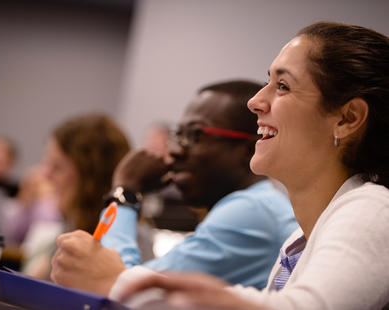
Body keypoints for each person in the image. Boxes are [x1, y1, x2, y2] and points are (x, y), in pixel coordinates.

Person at [114, 22, 389, 310]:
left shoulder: (372, 208)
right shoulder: (300, 240)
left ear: (347, 118)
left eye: (282, 86)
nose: (255, 101)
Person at [50, 80, 298, 294]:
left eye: (193, 135)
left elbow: (119, 289)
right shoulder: (259, 204)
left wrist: (124, 191)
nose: (176, 151)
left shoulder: (251, 210)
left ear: (247, 150)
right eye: (177, 134)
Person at [21, 113, 130, 279]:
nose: (46, 175)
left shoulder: (125, 248)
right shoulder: (72, 227)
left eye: (57, 166)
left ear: (91, 179)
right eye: (48, 163)